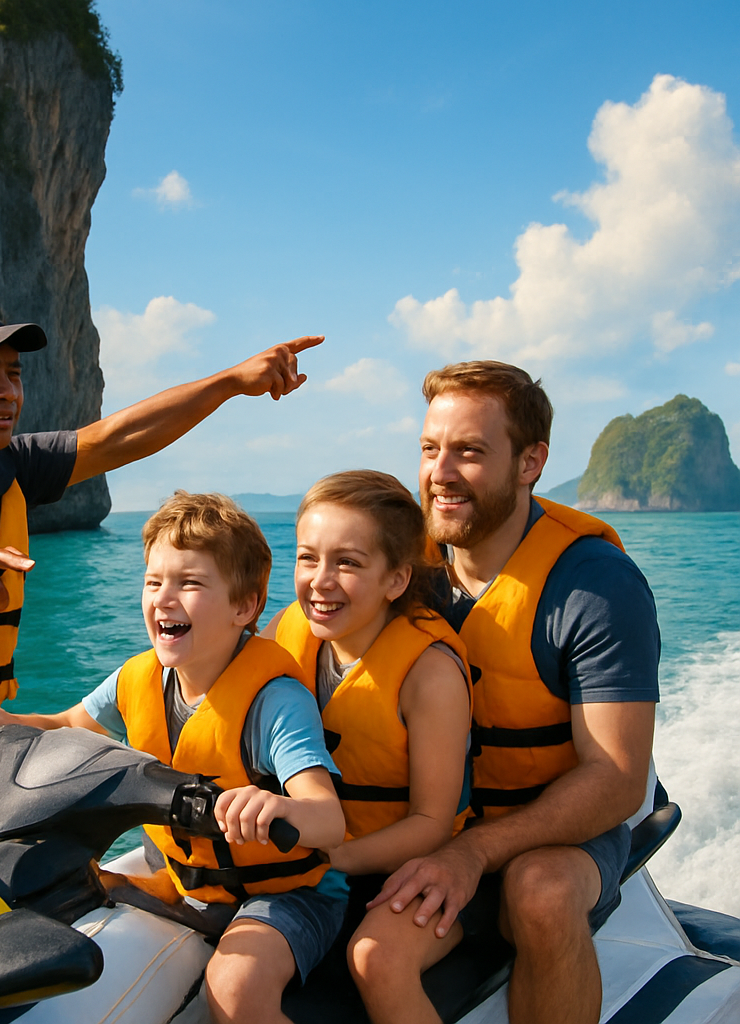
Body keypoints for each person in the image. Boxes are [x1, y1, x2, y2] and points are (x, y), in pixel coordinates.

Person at [0, 296, 323, 840]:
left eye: (13, 373)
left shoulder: (13, 468)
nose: (7, 391)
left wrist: (230, 382)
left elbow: (119, 437)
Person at [0, 492, 347, 1024]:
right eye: (154, 582)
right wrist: (6, 721)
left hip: (286, 894)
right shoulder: (139, 678)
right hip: (181, 876)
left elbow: (329, 819)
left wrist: (273, 807)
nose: (164, 598)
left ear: (244, 607)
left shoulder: (276, 702)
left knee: (237, 993)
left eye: (190, 583)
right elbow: (67, 726)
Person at [347, 361, 659, 1024]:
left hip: (560, 829)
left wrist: (473, 852)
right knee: (374, 953)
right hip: (431, 826)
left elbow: (619, 779)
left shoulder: (596, 587)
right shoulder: (402, 568)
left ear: (529, 462)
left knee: (538, 892)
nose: (441, 472)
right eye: (431, 450)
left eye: (469, 452)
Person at [264, 470, 471, 913]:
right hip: (297, 859)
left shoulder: (429, 675)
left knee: (374, 960)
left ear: (395, 580)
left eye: (348, 562)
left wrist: (331, 858)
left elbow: (431, 822)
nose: (321, 580)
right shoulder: (285, 630)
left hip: (391, 871)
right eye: (307, 558)